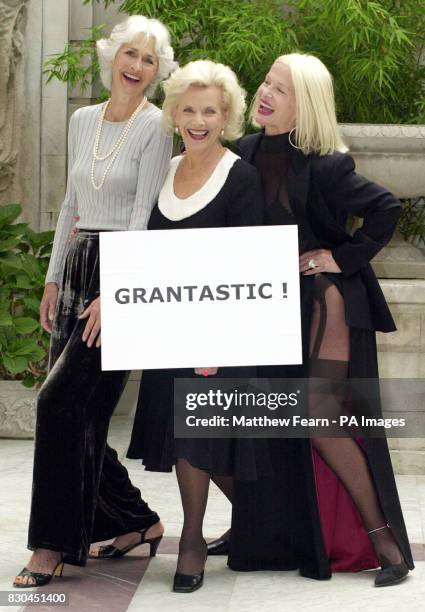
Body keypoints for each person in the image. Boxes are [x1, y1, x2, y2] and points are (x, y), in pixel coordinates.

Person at [209, 53, 414, 587]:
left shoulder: (328, 164)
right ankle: (255, 525)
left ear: (305, 107)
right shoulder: (242, 153)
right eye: (266, 83)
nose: (266, 93)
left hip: (327, 300)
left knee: (319, 419)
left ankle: (382, 537)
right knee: (244, 414)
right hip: (268, 304)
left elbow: (386, 208)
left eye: (282, 89)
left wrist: (339, 257)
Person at [13, 15, 177, 588]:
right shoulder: (83, 120)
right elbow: (68, 206)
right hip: (80, 264)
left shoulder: (159, 128)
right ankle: (136, 521)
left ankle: (50, 545)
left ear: (160, 72)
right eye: (130, 53)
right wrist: (53, 279)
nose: (136, 66)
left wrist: (117, 293)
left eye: (149, 60)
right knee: (79, 417)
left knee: (57, 406)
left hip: (123, 273)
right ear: (112, 56)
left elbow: (143, 217)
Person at [126, 59, 265, 593]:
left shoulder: (242, 177)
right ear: (174, 113)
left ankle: (191, 542)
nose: (199, 119)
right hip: (168, 332)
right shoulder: (162, 170)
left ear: (226, 115)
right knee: (195, 442)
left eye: (210, 110)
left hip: (221, 337)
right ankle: (269, 519)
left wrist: (216, 340)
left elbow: (246, 266)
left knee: (197, 436)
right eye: (189, 108)